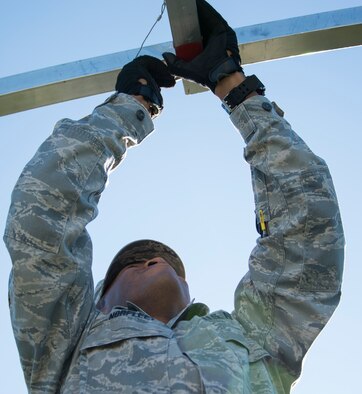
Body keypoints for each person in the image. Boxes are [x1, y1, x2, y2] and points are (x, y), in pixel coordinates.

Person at [4, 1, 344, 393]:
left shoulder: (256, 342)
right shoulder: (63, 341)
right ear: (96, 301)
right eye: (130, 264)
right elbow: (41, 217)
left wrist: (237, 90)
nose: (153, 259)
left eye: (167, 262)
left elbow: (310, 231)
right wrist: (128, 108)